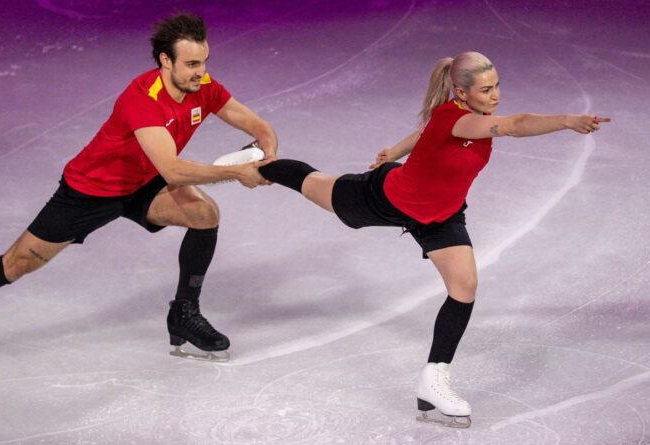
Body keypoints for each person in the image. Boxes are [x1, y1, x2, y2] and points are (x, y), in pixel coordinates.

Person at [0, 12, 277, 377]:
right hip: (91, 191)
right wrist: (236, 172)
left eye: (204, 61)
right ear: (166, 61)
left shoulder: (203, 87)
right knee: (16, 264)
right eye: (191, 64)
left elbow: (256, 125)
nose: (201, 72)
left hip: (143, 184)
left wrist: (267, 148)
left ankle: (184, 313)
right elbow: (173, 170)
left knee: (204, 215)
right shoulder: (142, 98)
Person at [256, 51, 609, 428]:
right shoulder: (455, 118)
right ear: (461, 92)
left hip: (441, 215)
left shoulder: (472, 116)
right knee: (314, 186)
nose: (495, 96)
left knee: (465, 286)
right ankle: (260, 164)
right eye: (486, 90)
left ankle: (434, 378)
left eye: (497, 86)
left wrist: (395, 150)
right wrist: (567, 120)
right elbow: (514, 125)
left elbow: (426, 132)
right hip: (388, 198)